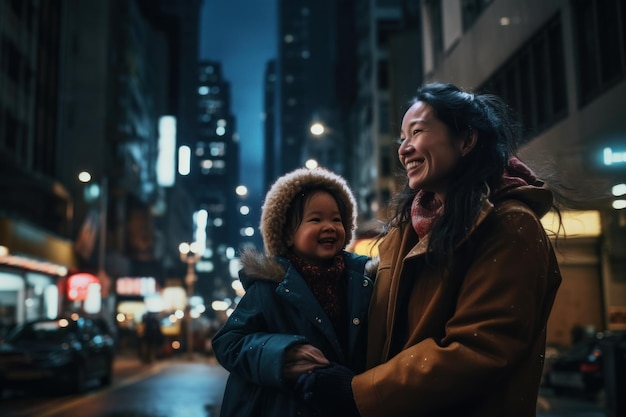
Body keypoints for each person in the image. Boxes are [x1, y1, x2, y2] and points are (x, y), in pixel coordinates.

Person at [296, 82, 563, 417]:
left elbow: (479, 349)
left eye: (417, 132)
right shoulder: (405, 232)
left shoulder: (509, 225)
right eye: (402, 138)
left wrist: (358, 393)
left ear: (466, 139)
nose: (404, 149)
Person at [212, 167, 377, 417]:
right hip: (286, 406)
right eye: (315, 219)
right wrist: (281, 354)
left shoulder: (361, 280)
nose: (329, 226)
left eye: (336, 219)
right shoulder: (269, 286)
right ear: (287, 234)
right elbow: (229, 342)